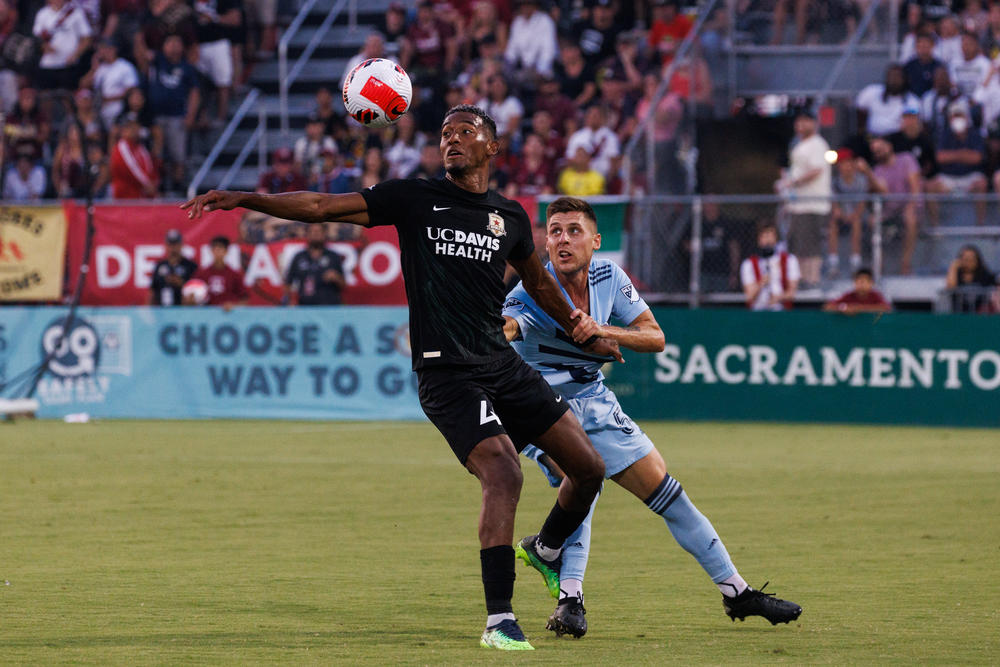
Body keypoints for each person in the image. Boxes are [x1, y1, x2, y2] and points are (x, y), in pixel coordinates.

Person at [182, 104, 617, 651]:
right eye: (446, 133)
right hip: (447, 372)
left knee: (589, 468)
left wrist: (582, 328)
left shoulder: (509, 216)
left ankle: (548, 549)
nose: (453, 139)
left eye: (467, 132)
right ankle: (499, 620)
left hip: (501, 365)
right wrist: (243, 197)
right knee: (505, 474)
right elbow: (319, 206)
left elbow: (541, 286)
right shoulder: (413, 198)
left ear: (492, 147)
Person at [503, 196, 803, 638]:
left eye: (573, 231)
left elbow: (654, 337)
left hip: (594, 399)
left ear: (595, 241)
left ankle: (736, 592)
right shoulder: (531, 288)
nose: (562, 239)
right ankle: (569, 596)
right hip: (538, 407)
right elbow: (508, 325)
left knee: (667, 492)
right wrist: (497, 328)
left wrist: (604, 329)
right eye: (554, 231)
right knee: (583, 478)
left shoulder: (610, 277)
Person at [776, 108, 830, 287]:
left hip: (812, 204)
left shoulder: (817, 143)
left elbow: (816, 170)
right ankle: (799, 281)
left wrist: (792, 182)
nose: (800, 125)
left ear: (814, 123)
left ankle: (812, 280)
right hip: (798, 204)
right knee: (798, 245)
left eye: (805, 121)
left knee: (810, 245)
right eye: (798, 122)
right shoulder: (798, 145)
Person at [868, 135, 921, 274]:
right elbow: (883, 191)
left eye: (880, 148)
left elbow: (915, 186)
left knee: (910, 218)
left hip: (911, 207)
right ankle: (879, 265)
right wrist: (867, 173)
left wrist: (910, 206)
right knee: (872, 221)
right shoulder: (878, 170)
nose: (878, 152)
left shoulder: (906, 159)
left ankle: (905, 263)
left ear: (889, 146)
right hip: (891, 211)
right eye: (875, 151)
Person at [740, 222, 800, 311]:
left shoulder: (789, 260)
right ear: (758, 240)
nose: (768, 241)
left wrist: (778, 297)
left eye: (771, 236)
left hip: (781, 309)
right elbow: (749, 296)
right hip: (758, 309)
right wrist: (762, 282)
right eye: (764, 236)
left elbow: (792, 292)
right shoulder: (748, 264)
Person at [81, 38, 139, 129]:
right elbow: (83, 85)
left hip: (119, 109)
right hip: (98, 111)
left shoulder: (124, 66)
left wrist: (108, 99)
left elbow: (131, 89)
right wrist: (93, 68)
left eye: (105, 49)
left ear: (113, 49)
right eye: (101, 49)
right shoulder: (100, 68)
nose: (102, 52)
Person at [283, 223, 346, 305]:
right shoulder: (299, 257)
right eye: (312, 231)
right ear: (307, 235)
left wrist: (336, 277)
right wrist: (290, 300)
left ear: (324, 234)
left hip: (330, 308)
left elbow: (343, 285)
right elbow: (288, 282)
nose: (315, 234)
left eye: (318, 231)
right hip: (305, 308)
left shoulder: (333, 256)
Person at [190, 235, 248, 309]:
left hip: (227, 317)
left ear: (226, 251)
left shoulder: (234, 275)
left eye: (220, 248)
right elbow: (191, 295)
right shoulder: (202, 273)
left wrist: (233, 306)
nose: (217, 251)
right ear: (211, 250)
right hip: (206, 316)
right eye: (214, 248)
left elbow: (244, 298)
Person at [109, 112, 158, 199]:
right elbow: (130, 168)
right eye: (129, 127)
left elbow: (149, 166)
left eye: (135, 126)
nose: (133, 129)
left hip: (141, 196)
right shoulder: (121, 147)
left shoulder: (140, 147)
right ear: (122, 130)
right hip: (125, 197)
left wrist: (153, 182)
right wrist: (147, 184)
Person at [150, 229, 198, 306]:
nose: (173, 248)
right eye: (170, 245)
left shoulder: (190, 266)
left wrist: (182, 284)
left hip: (183, 311)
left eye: (176, 244)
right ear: (166, 246)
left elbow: (197, 291)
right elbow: (152, 290)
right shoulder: (160, 266)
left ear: (181, 245)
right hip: (161, 312)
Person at [945, 244, 997, 313]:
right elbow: (950, 287)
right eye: (965, 259)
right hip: (959, 315)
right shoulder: (956, 275)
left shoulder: (985, 275)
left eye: (972, 259)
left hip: (981, 316)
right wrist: (953, 267)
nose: (968, 262)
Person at [823, 268, 891, 314]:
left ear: (871, 283)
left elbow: (886, 308)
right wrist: (844, 308)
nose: (861, 284)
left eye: (863, 282)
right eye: (858, 281)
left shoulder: (875, 295)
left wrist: (859, 308)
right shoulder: (849, 295)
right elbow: (828, 307)